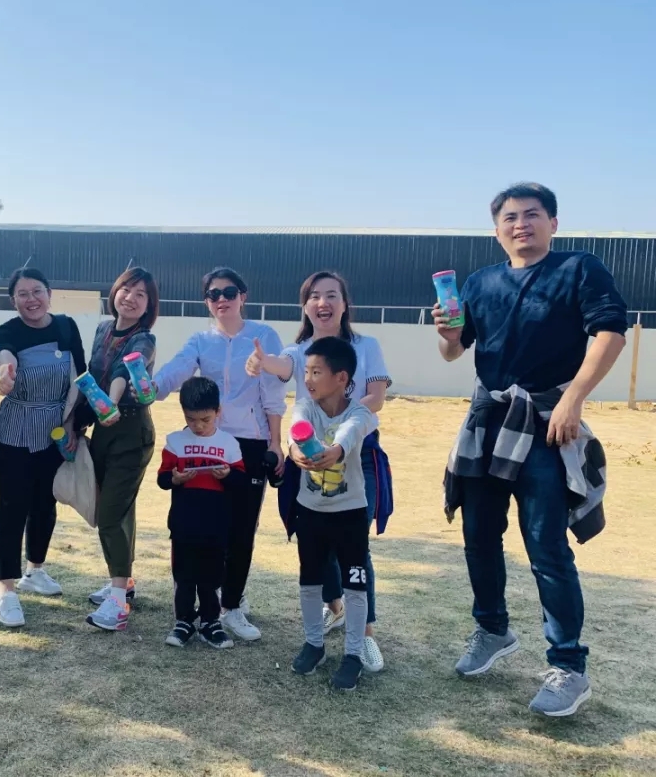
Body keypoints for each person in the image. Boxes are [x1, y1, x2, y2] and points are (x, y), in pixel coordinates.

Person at [435, 182, 627, 717]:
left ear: (553, 223)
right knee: (478, 534)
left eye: (532, 214)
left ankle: (569, 666)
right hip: (488, 420)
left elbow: (610, 333)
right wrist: (447, 334)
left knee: (545, 544)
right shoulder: (480, 281)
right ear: (497, 230)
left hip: (546, 421)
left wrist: (573, 399)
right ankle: (492, 629)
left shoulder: (579, 268)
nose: (521, 224)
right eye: (510, 217)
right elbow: (454, 352)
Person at [246, 271, 393, 672]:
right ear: (305, 306)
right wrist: (261, 361)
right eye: (314, 296)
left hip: (357, 452)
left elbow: (376, 397)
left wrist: (341, 424)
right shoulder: (299, 352)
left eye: (331, 295)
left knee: (355, 545)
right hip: (309, 451)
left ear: (345, 304)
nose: (322, 302)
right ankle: (336, 608)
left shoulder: (366, 346)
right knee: (314, 540)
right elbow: (280, 365)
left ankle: (365, 636)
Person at [152, 267, 287, 642]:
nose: (221, 299)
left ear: (243, 296)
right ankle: (195, 607)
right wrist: (152, 388)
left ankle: (232, 606)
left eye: (229, 292)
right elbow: (177, 369)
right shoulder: (200, 339)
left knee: (242, 528)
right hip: (208, 442)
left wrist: (275, 443)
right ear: (206, 301)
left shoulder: (263, 335)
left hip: (251, 443)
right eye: (214, 294)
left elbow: (273, 393)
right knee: (202, 526)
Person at [0, 268, 86, 628]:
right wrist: (6, 373)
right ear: (12, 300)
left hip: (57, 428)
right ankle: (6, 589)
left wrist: (74, 423)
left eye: (37, 291)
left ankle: (35, 569)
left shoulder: (66, 326)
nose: (31, 299)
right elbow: (6, 356)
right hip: (16, 428)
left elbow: (81, 376)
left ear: (49, 293)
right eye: (22, 294)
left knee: (46, 503)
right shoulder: (7, 331)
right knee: (12, 507)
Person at [286, 337, 378, 691]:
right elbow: (296, 429)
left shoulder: (360, 412)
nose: (308, 379)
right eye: (306, 371)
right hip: (310, 512)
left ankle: (353, 654)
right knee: (310, 580)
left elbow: (351, 433)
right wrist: (294, 450)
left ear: (341, 377)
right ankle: (314, 644)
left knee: (355, 583)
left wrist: (337, 449)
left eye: (316, 372)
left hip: (350, 513)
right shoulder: (305, 406)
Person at [81, 267, 160, 632]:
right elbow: (93, 374)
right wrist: (78, 421)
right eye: (127, 289)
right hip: (104, 430)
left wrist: (110, 404)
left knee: (111, 514)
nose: (131, 297)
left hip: (130, 431)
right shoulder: (103, 329)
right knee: (118, 511)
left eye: (141, 294)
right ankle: (123, 583)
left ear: (148, 306)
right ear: (115, 292)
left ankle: (117, 605)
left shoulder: (144, 339)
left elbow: (122, 372)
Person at [158, 377, 248, 650]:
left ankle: (210, 622)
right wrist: (175, 479)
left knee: (211, 577)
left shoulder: (229, 444)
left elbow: (242, 482)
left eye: (205, 420)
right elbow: (162, 478)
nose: (198, 425)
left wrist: (228, 475)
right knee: (184, 576)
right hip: (184, 523)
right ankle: (183, 621)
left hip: (216, 524)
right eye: (191, 419)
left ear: (218, 411)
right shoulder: (175, 441)